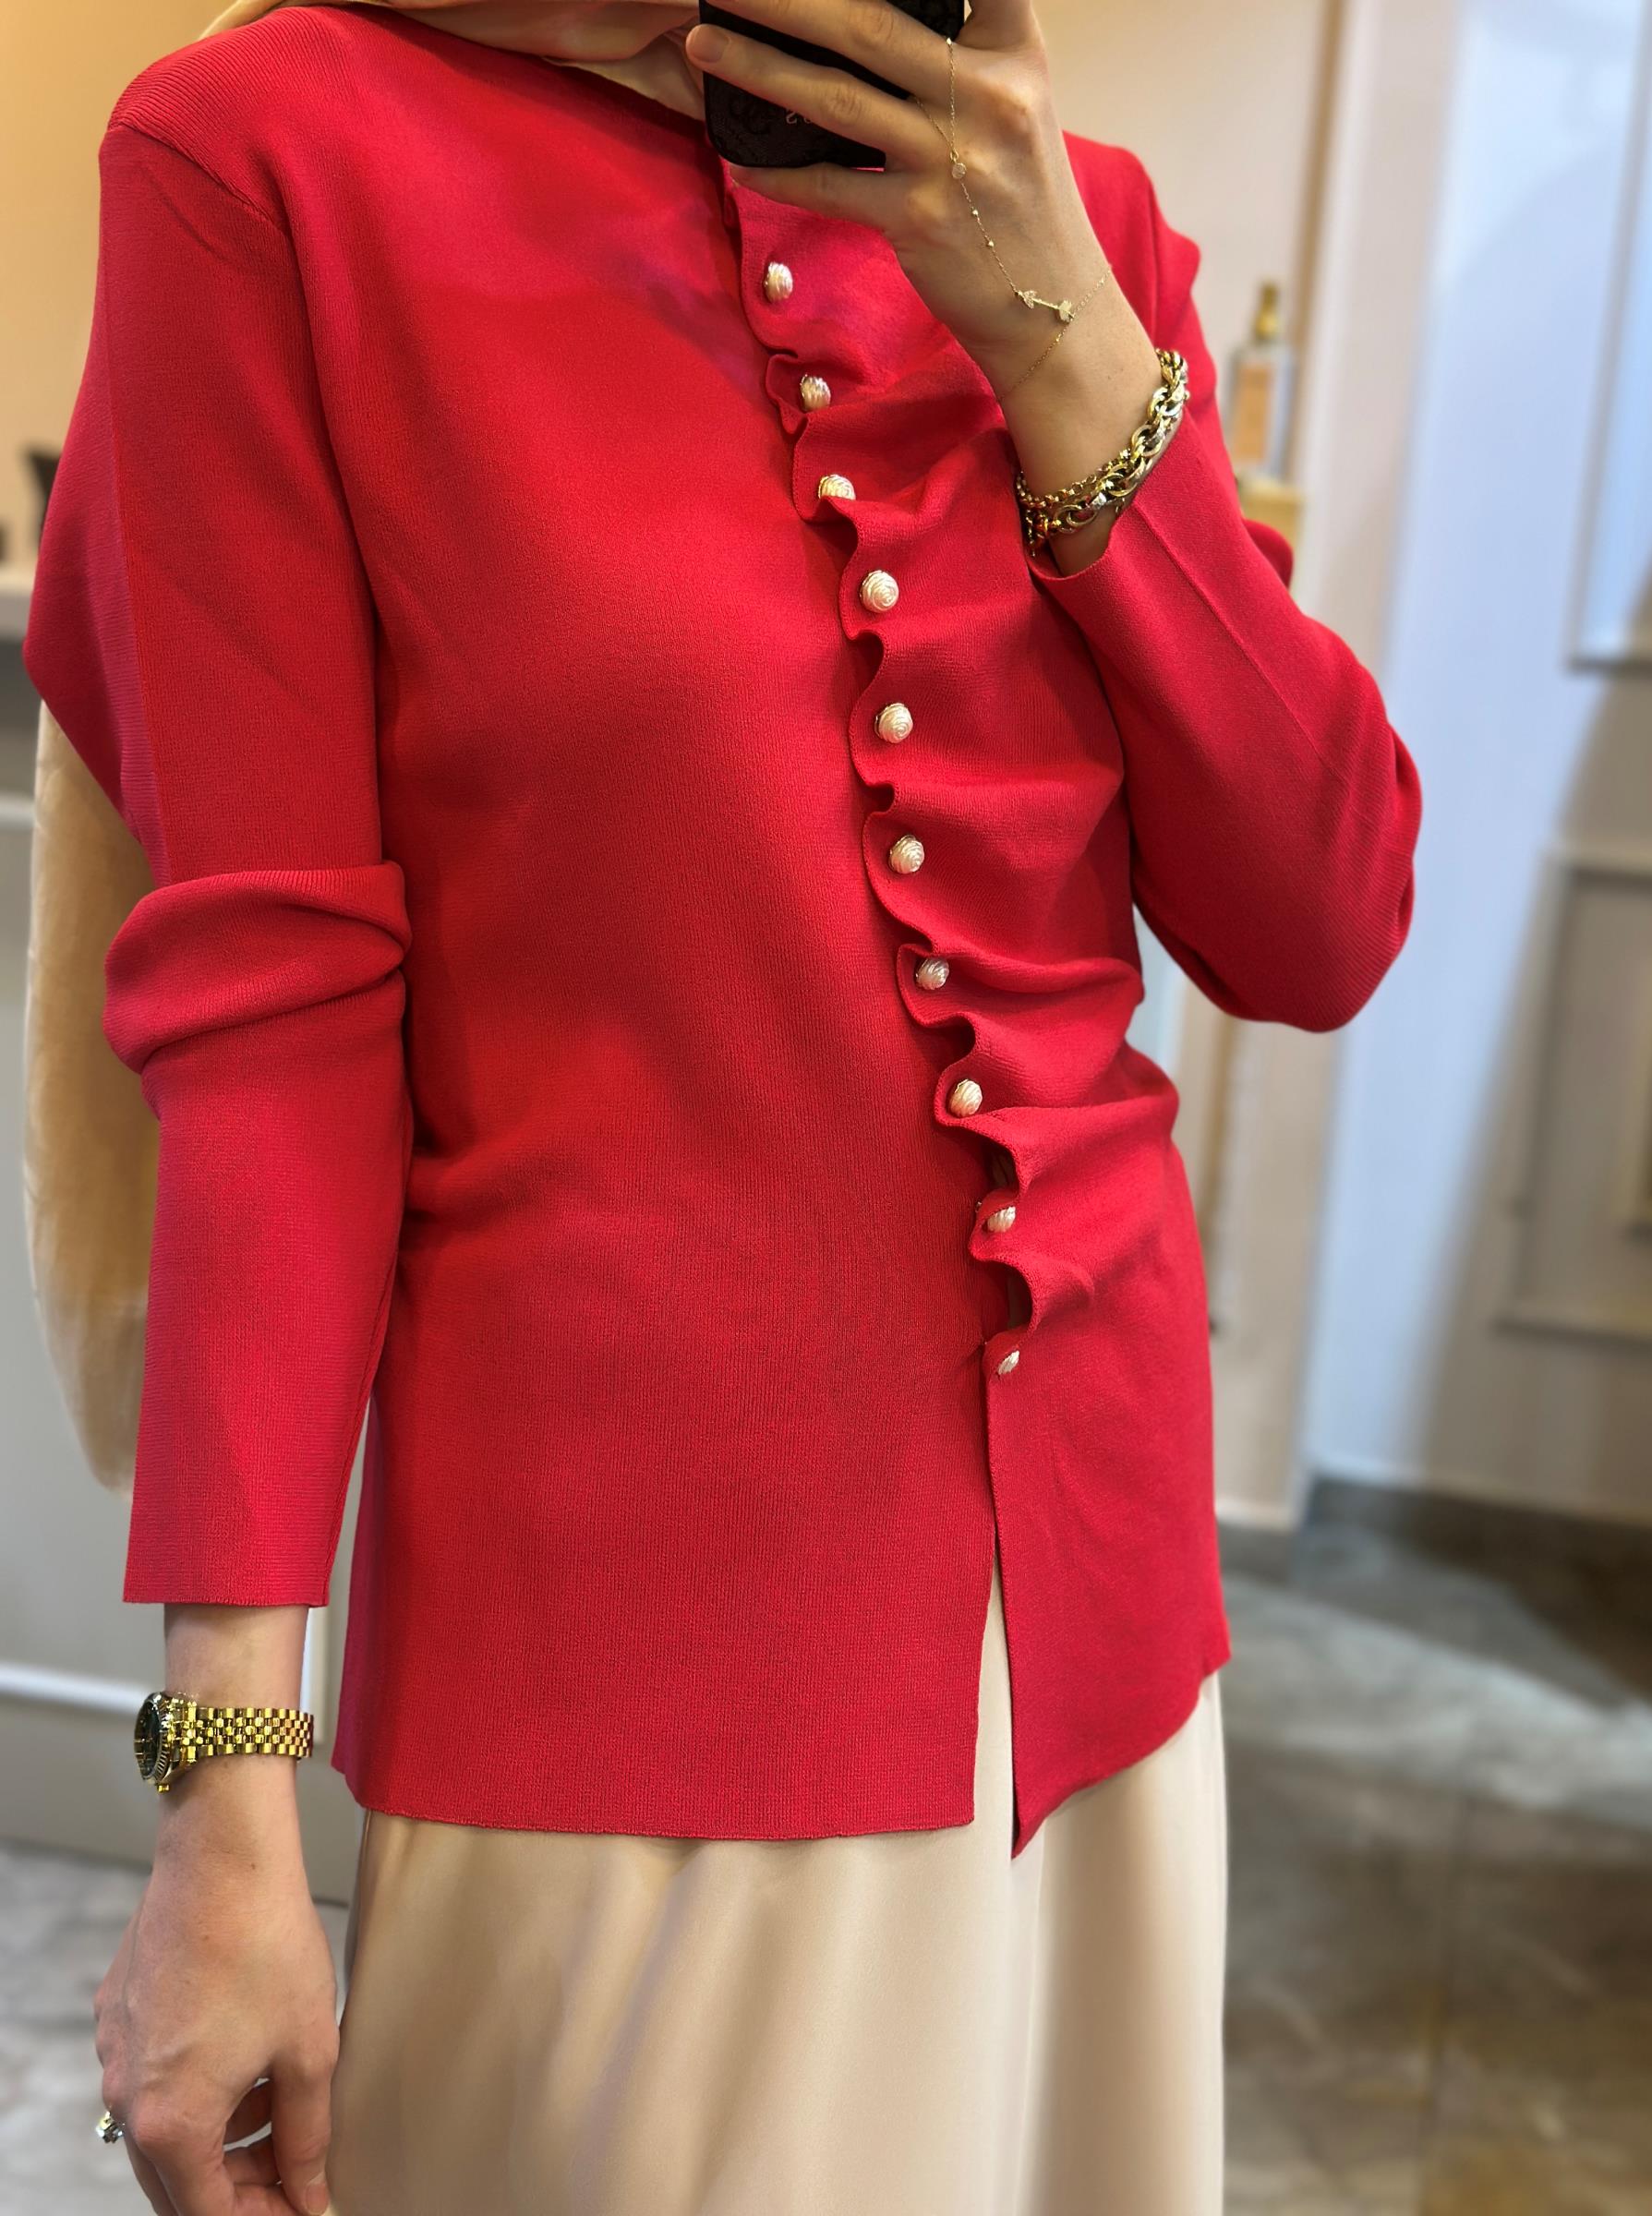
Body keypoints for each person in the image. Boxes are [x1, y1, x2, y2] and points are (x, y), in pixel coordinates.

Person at [22, 1, 1422, 2210]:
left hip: (1107, 1647)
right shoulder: (268, 157)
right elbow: (276, 1016)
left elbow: (1325, 924)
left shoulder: (1068, 219)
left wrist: (1058, 332)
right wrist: (227, 1787)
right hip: (629, 1670)